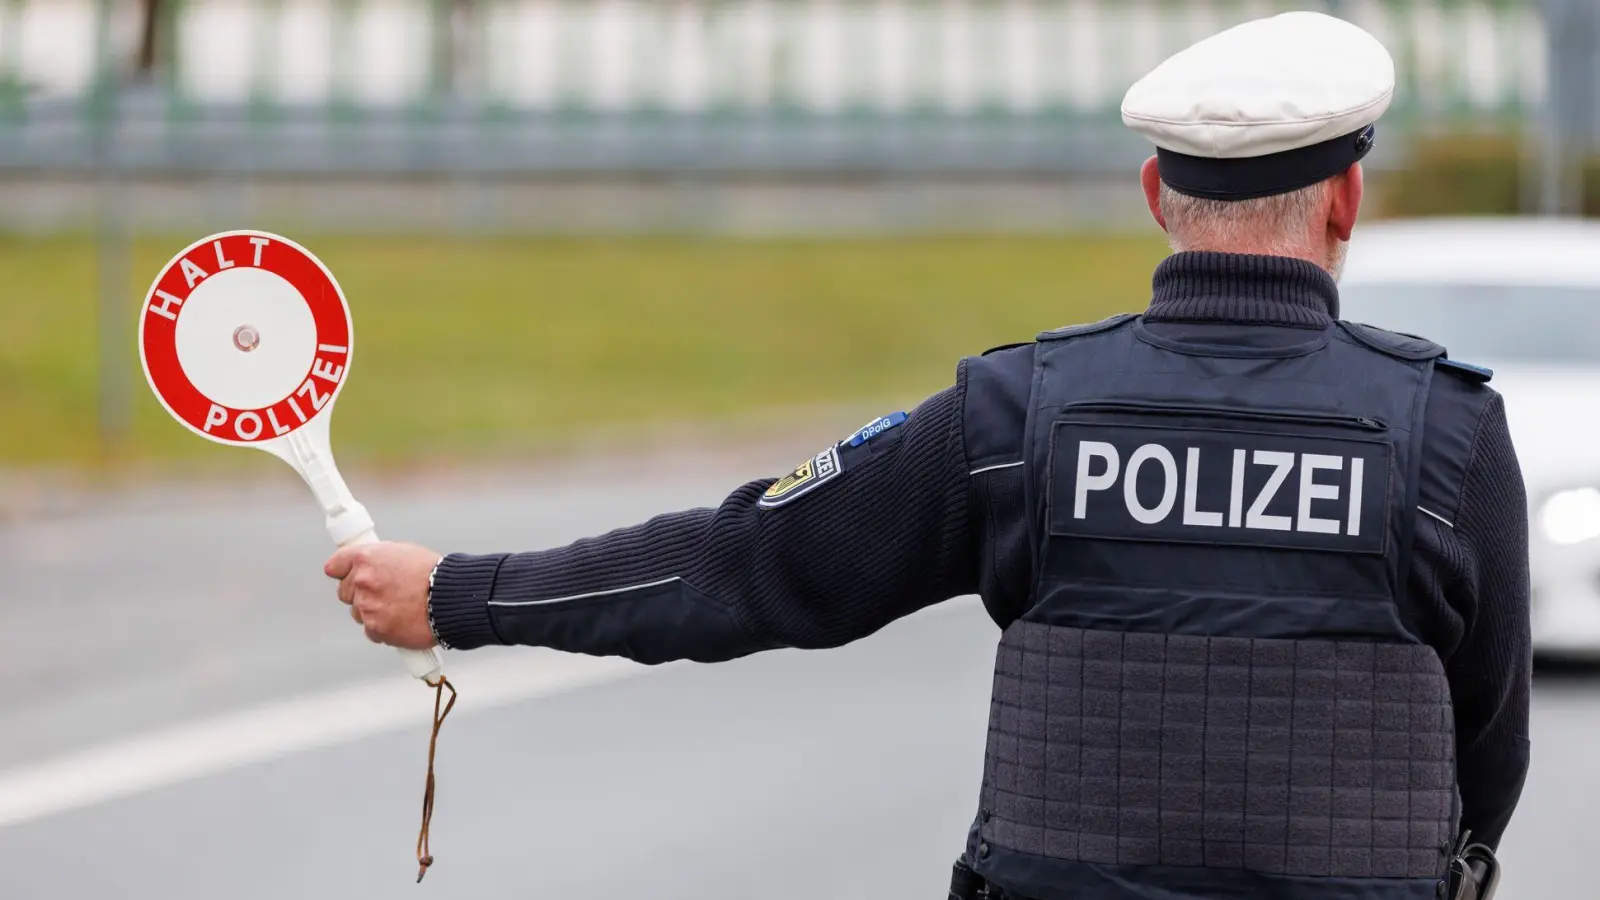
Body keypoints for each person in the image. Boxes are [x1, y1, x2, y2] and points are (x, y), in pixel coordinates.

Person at [325, 11, 1530, 900]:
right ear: (1347, 198)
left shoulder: (1015, 417)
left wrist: (457, 593)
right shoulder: (1449, 437)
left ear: (1156, 192)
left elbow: (745, 568)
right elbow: (1489, 746)